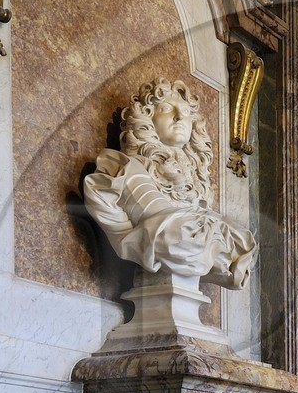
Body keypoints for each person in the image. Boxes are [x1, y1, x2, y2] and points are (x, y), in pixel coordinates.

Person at [81, 80, 257, 289]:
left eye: (185, 111)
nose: (180, 117)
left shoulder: (200, 189)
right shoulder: (124, 172)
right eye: (166, 109)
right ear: (147, 119)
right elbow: (175, 241)